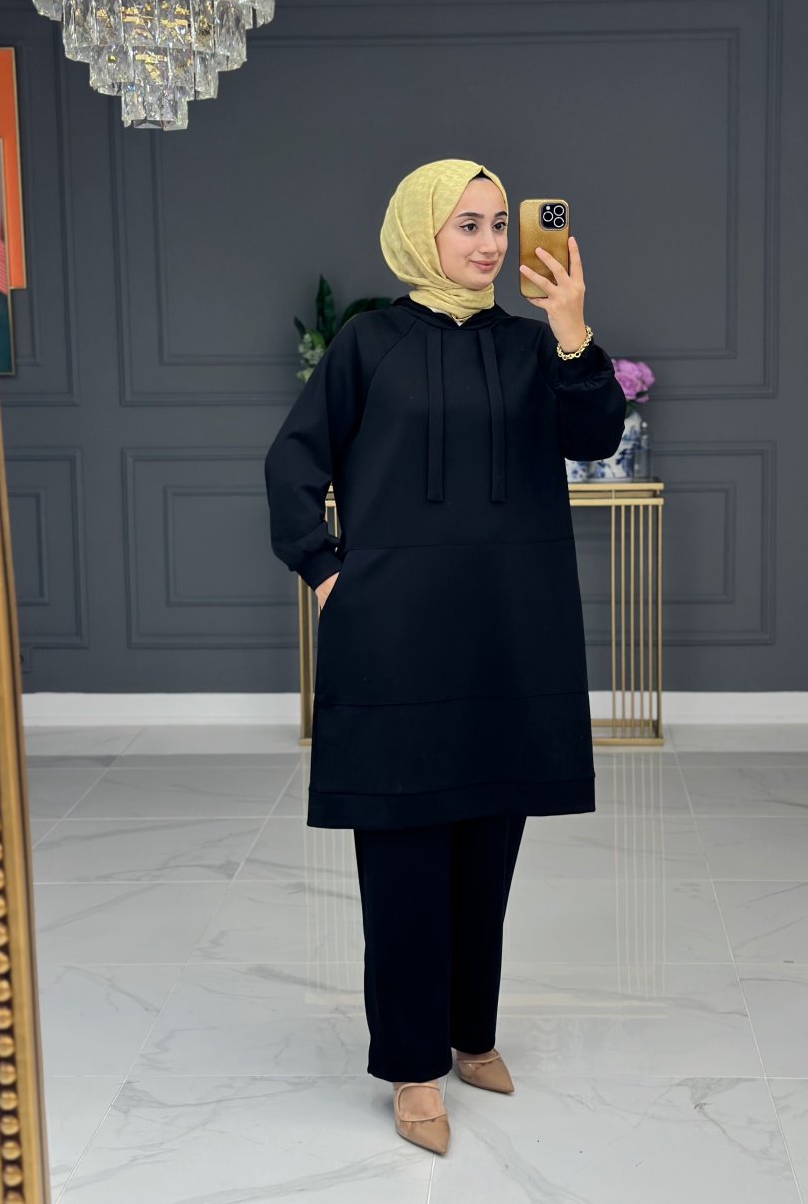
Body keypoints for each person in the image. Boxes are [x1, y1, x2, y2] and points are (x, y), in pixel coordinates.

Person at [264, 158, 626, 1155]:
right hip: (394, 644)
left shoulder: (531, 346)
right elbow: (293, 462)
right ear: (421, 230)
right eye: (468, 224)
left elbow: (595, 436)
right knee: (404, 862)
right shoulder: (367, 344)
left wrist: (571, 328)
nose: (491, 243)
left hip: (506, 639)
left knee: (486, 853)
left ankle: (471, 1035)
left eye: (501, 223)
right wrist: (326, 572)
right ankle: (413, 1065)